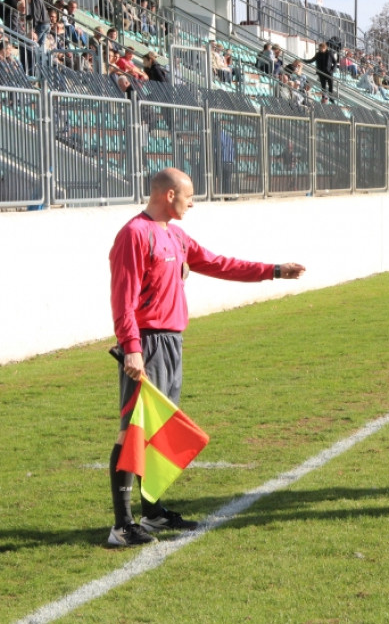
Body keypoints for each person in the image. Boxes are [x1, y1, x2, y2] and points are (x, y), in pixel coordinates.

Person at [107, 167, 306, 546]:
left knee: (157, 431)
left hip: (171, 343)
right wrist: (131, 348)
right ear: (169, 195)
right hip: (147, 344)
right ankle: (122, 526)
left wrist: (274, 271)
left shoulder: (176, 235)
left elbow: (217, 263)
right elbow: (123, 299)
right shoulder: (135, 234)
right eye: (189, 196)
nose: (193, 203)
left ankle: (152, 514)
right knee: (132, 431)